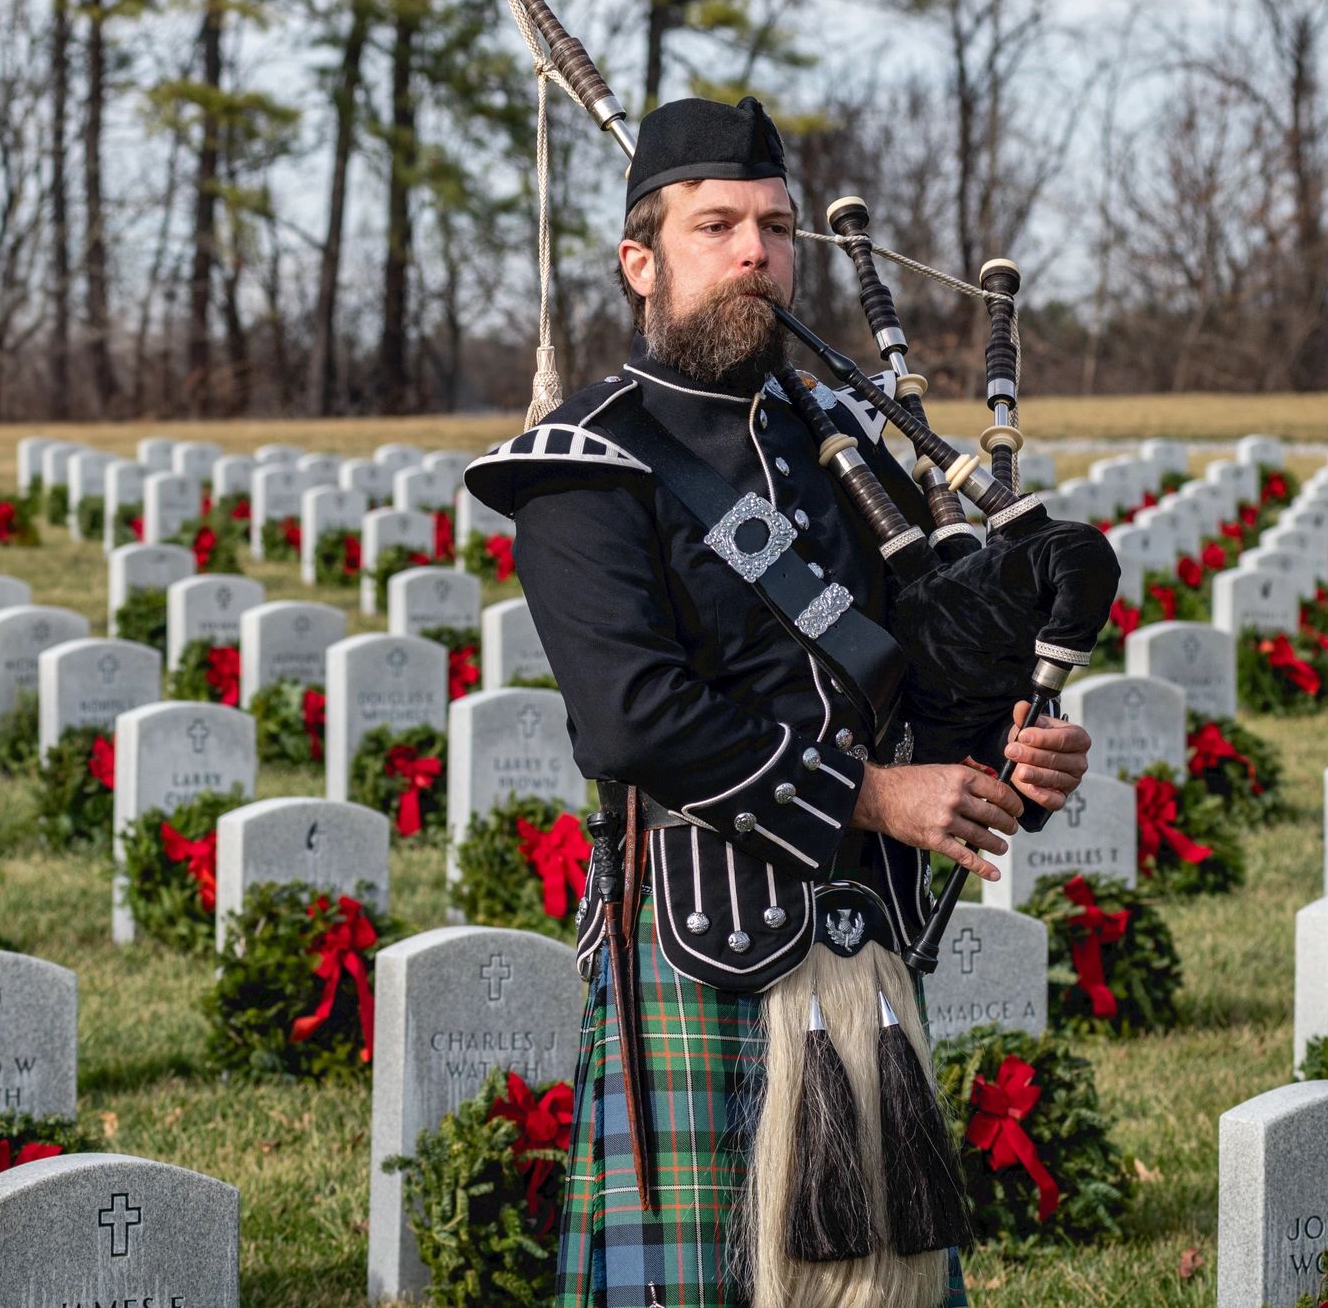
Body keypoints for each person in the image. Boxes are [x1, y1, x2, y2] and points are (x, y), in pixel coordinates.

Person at [464, 95, 1095, 1308]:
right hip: (698, 943)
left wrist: (1008, 756)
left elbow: (918, 686)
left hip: (864, 944)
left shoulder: (850, 447)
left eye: (774, 226)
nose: (754, 251)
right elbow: (632, 717)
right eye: (715, 226)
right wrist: (873, 796)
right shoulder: (583, 463)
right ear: (640, 262)